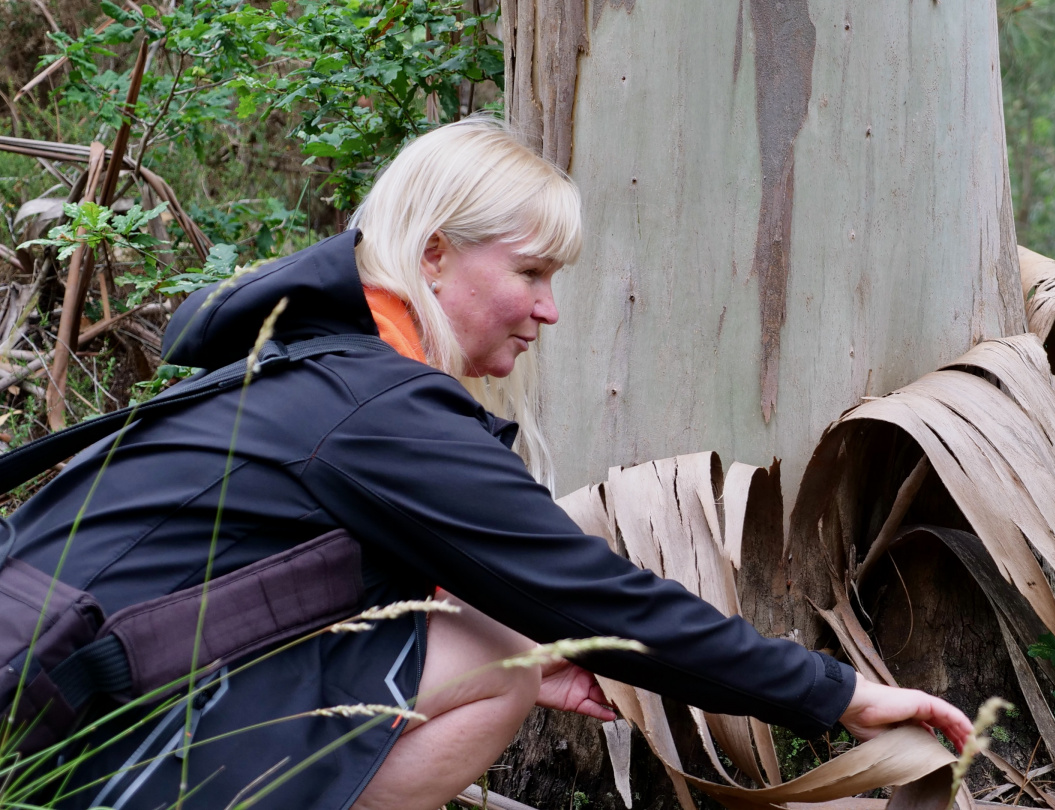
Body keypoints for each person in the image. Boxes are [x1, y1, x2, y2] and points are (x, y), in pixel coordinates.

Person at [9, 116, 972, 810]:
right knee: (499, 655)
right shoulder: (378, 406)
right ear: (433, 257)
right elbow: (599, 597)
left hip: (45, 700)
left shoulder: (309, 367)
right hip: (57, 733)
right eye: (532, 273)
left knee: (496, 636)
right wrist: (842, 694)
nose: (550, 310)